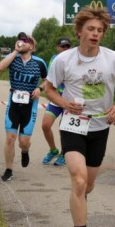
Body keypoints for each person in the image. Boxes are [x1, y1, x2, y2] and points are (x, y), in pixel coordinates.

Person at [44, 6, 115, 227]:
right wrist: (64, 104)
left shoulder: (113, 58)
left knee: (88, 186)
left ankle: (80, 201)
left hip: (100, 126)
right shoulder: (64, 60)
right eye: (91, 29)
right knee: (79, 180)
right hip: (73, 124)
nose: (95, 34)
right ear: (79, 31)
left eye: (100, 30)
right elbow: (49, 89)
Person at [0, 32, 48, 182]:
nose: (21, 42)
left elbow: (48, 81)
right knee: (10, 138)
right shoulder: (13, 59)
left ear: (32, 46)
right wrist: (15, 51)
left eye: (25, 41)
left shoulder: (39, 62)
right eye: (20, 40)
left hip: (29, 105)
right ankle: (8, 169)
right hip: (13, 103)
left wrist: (40, 88)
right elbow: (0, 67)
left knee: (23, 142)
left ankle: (25, 151)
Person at [40, 37, 72, 166]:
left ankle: (64, 153)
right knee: (45, 125)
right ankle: (53, 150)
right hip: (56, 97)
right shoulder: (54, 59)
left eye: (67, 47)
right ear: (57, 47)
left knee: (64, 128)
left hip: (69, 99)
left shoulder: (74, 59)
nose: (64, 49)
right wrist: (41, 87)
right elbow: (49, 78)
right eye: (62, 46)